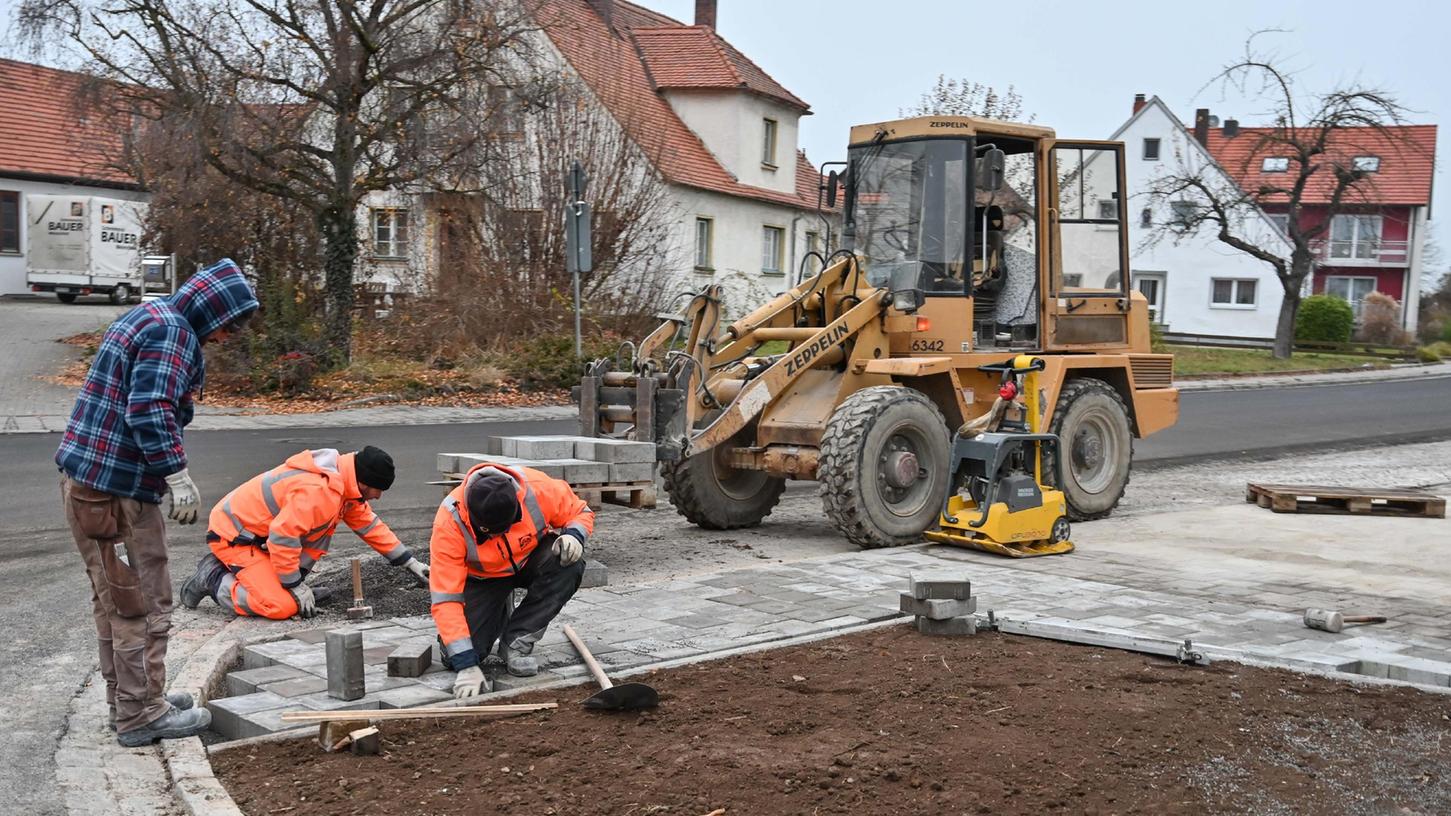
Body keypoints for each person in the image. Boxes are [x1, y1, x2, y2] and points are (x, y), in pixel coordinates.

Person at [57, 257, 258, 747]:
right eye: (228, 328)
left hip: (89, 487)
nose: (225, 339)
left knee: (115, 602)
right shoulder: (173, 334)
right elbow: (150, 408)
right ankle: (142, 714)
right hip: (118, 493)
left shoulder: (149, 315)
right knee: (143, 605)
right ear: (212, 312)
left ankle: (132, 700)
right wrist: (178, 475)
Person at [179, 446, 429, 619]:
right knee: (281, 607)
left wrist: (410, 562)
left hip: (257, 536)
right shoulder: (319, 492)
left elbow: (369, 525)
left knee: (317, 538)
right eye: (378, 490)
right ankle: (212, 577)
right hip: (233, 537)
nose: (379, 496)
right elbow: (282, 537)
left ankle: (284, 585)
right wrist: (295, 587)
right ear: (364, 482)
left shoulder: (343, 483)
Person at [430, 461, 593, 698]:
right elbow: (446, 598)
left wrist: (574, 536)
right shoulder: (450, 522)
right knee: (456, 657)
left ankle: (516, 643)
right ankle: (498, 607)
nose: (503, 534)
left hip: (530, 559)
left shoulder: (535, 488)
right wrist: (466, 664)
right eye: (494, 532)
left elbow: (580, 511)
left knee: (569, 564)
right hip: (484, 579)